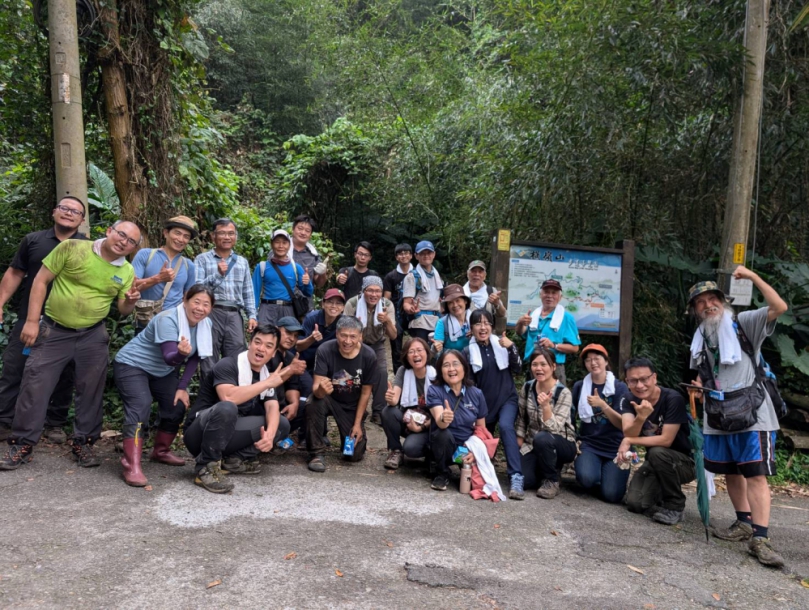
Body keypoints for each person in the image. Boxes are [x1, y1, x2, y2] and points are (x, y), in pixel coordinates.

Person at [0, 221, 142, 470]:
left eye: (131, 241)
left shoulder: (127, 271)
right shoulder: (72, 247)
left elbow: (122, 310)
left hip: (92, 335)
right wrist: (32, 321)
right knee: (35, 386)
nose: (124, 242)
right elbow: (40, 281)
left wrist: (130, 301)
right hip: (53, 330)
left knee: (91, 390)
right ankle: (22, 443)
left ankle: (83, 442)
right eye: (122, 234)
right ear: (109, 231)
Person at [688, 268, 788, 568]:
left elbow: (779, 307)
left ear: (723, 300)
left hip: (752, 412)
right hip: (718, 414)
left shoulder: (744, 323)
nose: (708, 305)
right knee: (730, 471)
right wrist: (698, 387)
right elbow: (706, 373)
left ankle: (761, 537)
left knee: (755, 474)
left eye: (713, 298)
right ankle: (743, 523)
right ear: (695, 310)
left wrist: (753, 278)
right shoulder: (701, 338)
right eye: (700, 302)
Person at [0, 197, 87, 444]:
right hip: (30, 318)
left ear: (81, 220)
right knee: (15, 366)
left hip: (68, 323)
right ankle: (4, 420)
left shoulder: (88, 247)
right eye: (64, 208)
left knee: (65, 373)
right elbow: (16, 272)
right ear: (54, 212)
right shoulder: (34, 240)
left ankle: (55, 423)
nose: (69, 213)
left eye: (75, 211)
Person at [113, 285, 214, 486]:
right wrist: (181, 354)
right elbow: (170, 357)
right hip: (132, 364)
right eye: (196, 302)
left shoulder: (205, 324)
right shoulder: (167, 319)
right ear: (185, 300)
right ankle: (131, 464)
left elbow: (196, 357)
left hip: (162, 372)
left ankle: (161, 451)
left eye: (206, 304)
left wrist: (182, 387)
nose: (200, 308)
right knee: (140, 405)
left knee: (176, 404)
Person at [183, 324, 295, 493]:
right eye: (258, 342)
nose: (261, 348)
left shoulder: (265, 373)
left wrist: (270, 436)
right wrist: (267, 383)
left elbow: (272, 406)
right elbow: (229, 397)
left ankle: (233, 461)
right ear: (250, 343)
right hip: (199, 434)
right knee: (227, 407)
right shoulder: (228, 364)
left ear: (273, 353)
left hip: (228, 434)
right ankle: (205, 467)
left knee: (281, 424)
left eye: (268, 346)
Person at [618, 357, 695, 525]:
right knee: (635, 503)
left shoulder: (673, 399)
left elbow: (666, 440)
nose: (639, 385)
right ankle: (659, 491)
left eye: (644, 379)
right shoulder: (627, 398)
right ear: (627, 382)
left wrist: (629, 440)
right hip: (655, 462)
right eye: (633, 381)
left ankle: (675, 505)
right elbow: (628, 430)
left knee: (657, 452)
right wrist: (641, 417)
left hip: (685, 463)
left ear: (654, 378)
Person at [464, 309, 524, 499]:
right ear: (471, 328)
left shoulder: (501, 344)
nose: (483, 327)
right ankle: (482, 475)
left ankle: (516, 476)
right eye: (478, 323)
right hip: (485, 406)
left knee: (506, 427)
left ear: (492, 325)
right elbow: (470, 385)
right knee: (482, 443)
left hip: (507, 398)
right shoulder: (468, 351)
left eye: (487, 323)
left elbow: (519, 369)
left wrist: (511, 347)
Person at [305, 316, 377, 473]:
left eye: (353, 336)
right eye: (343, 335)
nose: (348, 341)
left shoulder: (369, 355)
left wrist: (357, 424)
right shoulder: (325, 349)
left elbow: (366, 392)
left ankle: (351, 439)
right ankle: (316, 453)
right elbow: (316, 388)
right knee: (313, 402)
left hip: (352, 406)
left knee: (353, 454)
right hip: (329, 399)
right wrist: (321, 390)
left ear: (360, 336)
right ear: (337, 334)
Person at [195, 218, 257, 376]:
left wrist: (252, 315)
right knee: (209, 356)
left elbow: (247, 292)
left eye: (231, 233)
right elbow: (197, 289)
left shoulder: (242, 262)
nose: (227, 237)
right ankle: (209, 398)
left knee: (237, 357)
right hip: (210, 313)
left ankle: (233, 396)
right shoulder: (202, 259)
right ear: (213, 236)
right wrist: (218, 275)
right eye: (222, 233)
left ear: (236, 237)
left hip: (234, 314)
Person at [571, 344, 631, 504]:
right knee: (586, 479)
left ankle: (609, 481)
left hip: (616, 447)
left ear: (606, 361)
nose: (593, 363)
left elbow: (623, 425)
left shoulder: (620, 387)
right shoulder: (580, 387)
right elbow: (571, 416)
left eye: (597, 359)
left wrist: (603, 405)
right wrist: (574, 440)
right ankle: (597, 475)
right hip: (590, 444)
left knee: (611, 496)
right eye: (588, 360)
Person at [516, 348, 576, 498]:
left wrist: (546, 407)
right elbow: (522, 417)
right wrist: (520, 439)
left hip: (561, 442)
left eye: (544, 364)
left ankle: (552, 480)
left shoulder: (563, 393)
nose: (539, 368)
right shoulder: (528, 387)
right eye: (535, 364)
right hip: (532, 443)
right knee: (526, 481)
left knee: (543, 438)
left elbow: (554, 429)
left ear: (553, 367)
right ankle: (547, 468)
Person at [425, 350, 488, 491]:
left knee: (477, 485)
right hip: (445, 446)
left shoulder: (476, 394)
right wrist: (444, 418)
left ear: (464, 368)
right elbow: (440, 422)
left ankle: (465, 466)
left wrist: (475, 452)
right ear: (440, 370)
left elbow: (481, 429)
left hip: (465, 449)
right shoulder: (434, 390)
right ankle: (442, 472)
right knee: (442, 433)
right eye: (446, 365)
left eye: (455, 364)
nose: (451, 369)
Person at [343, 276, 397, 424]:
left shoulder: (387, 305)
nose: (374, 295)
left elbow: (393, 335)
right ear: (363, 291)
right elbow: (343, 331)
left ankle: (379, 411)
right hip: (354, 345)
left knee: (381, 372)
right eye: (370, 290)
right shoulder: (352, 304)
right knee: (353, 374)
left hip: (377, 344)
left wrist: (387, 321)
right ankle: (354, 409)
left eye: (378, 291)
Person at [131, 215, 198, 334]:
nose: (181, 239)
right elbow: (132, 286)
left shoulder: (189, 266)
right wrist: (158, 278)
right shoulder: (145, 255)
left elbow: (189, 298)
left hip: (174, 324)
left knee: (170, 353)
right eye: (177, 233)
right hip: (145, 322)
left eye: (186, 236)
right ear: (166, 233)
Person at [381, 337, 435, 470]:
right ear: (406, 356)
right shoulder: (403, 371)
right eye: (411, 351)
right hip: (408, 420)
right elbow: (394, 399)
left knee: (411, 449)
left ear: (427, 353)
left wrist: (422, 428)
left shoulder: (436, 374)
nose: (416, 354)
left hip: (429, 425)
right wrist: (390, 398)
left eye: (419, 350)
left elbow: (440, 414)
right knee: (388, 411)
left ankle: (431, 452)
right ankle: (396, 451)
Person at [515, 279, 581, 383]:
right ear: (541, 294)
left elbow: (575, 348)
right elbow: (521, 334)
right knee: (532, 398)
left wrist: (553, 345)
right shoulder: (533, 314)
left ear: (560, 297)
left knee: (555, 398)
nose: (549, 296)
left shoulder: (567, 318)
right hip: (533, 366)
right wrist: (519, 323)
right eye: (546, 292)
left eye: (554, 293)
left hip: (554, 367)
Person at [252, 229, 313, 325]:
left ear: (289, 245)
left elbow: (308, 292)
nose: (281, 246)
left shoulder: (296, 268)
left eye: (284, 243)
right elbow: (254, 293)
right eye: (277, 242)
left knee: (287, 339)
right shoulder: (262, 267)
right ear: (271, 244)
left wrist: (307, 283)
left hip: (288, 310)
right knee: (265, 338)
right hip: (267, 309)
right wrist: (252, 316)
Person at [297, 288, 346, 400]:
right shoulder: (311, 318)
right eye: (330, 302)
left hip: (327, 366)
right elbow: (297, 346)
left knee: (345, 385)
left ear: (343, 308)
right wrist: (311, 338)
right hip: (305, 363)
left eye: (338, 303)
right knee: (310, 389)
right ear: (323, 304)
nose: (334, 306)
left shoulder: (344, 323)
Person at [269, 316, 308, 442]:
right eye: (288, 333)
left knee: (307, 405)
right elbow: (264, 384)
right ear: (276, 330)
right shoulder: (266, 352)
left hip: (282, 408)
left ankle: (279, 437)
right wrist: (290, 369)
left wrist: (294, 404)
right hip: (264, 407)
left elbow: (293, 386)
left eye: (296, 336)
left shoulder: (291, 357)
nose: (292, 338)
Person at [402, 241, 444, 343]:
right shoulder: (412, 277)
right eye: (422, 253)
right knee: (422, 353)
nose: (426, 256)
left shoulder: (438, 277)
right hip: (420, 322)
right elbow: (406, 303)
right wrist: (411, 309)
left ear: (433, 254)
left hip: (437, 321)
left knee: (436, 354)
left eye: (429, 253)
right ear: (416, 256)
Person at [383, 243, 413, 370]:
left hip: (414, 310)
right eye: (400, 253)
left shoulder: (417, 274)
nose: (404, 255)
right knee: (396, 339)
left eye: (406, 253)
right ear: (396, 257)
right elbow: (386, 298)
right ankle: (398, 372)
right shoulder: (391, 276)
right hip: (396, 311)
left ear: (411, 256)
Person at [290, 214, 329, 308]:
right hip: (284, 303)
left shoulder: (314, 255)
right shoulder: (282, 250)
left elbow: (319, 284)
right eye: (300, 228)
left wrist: (323, 273)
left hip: (305, 305)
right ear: (293, 229)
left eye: (307, 231)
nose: (303, 232)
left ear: (310, 235)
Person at [432, 284, 472, 355]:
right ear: (447, 306)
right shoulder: (442, 323)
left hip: (472, 359)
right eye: (450, 302)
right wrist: (436, 347)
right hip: (451, 361)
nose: (455, 305)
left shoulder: (475, 319)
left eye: (458, 300)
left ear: (465, 301)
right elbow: (437, 346)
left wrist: (476, 334)